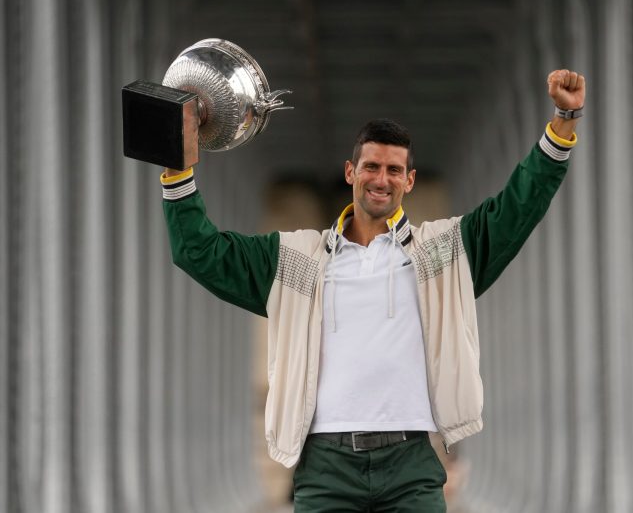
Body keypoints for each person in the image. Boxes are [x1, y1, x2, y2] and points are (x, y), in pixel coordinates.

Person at [160, 69, 585, 512]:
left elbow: (517, 206)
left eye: (394, 170)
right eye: (372, 167)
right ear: (351, 172)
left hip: (411, 465)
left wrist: (563, 119)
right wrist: (177, 165)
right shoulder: (294, 260)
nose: (382, 179)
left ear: (410, 180)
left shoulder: (442, 254)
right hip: (326, 467)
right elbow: (199, 252)